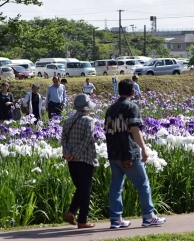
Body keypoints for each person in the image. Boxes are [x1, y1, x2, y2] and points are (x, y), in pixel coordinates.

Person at [104, 79, 166, 229]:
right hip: (128, 152)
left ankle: (116, 219)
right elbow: (134, 129)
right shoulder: (132, 107)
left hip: (113, 153)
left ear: (119, 91)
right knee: (143, 184)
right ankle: (148, 216)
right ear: (133, 92)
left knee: (116, 186)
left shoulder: (110, 109)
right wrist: (143, 148)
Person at [62, 94, 98, 229]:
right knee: (85, 190)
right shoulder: (89, 121)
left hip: (71, 161)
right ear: (87, 107)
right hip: (85, 159)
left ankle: (71, 212)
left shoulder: (67, 121)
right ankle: (82, 220)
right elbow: (87, 139)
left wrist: (67, 154)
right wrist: (76, 154)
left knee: (81, 188)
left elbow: (63, 139)